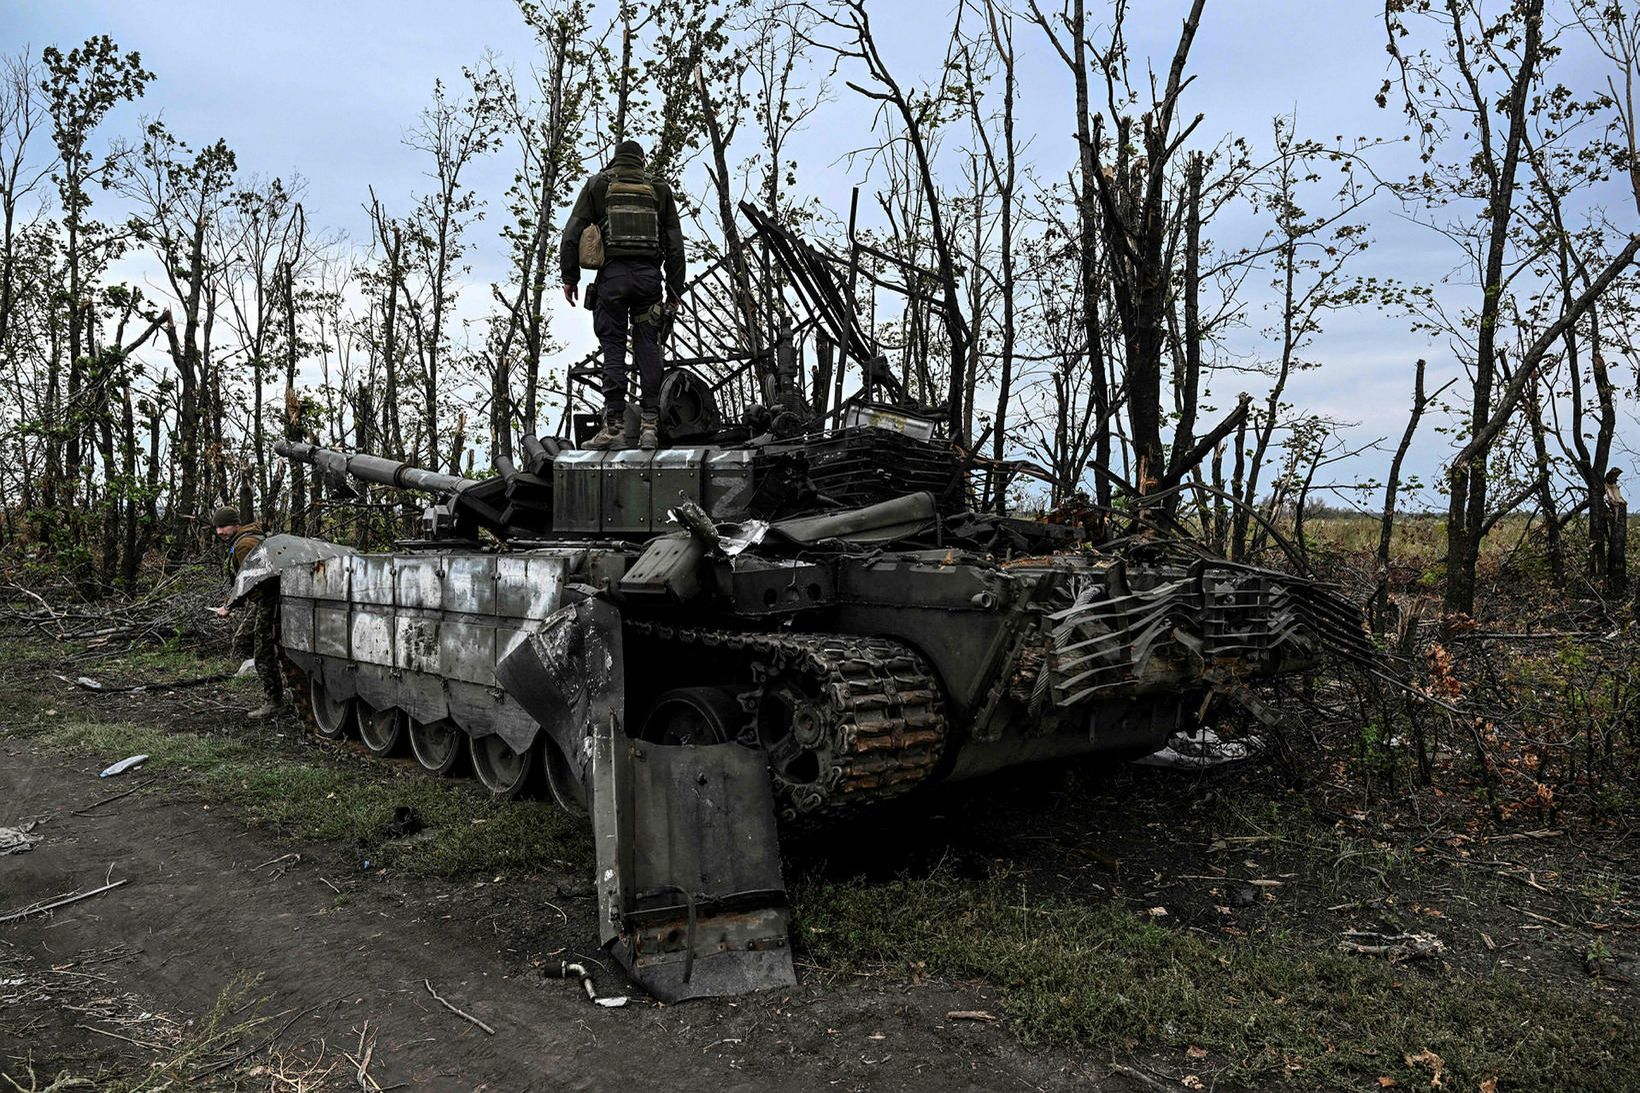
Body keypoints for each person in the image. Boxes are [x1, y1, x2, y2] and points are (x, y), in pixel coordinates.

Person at [560, 139, 686, 451]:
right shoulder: (659, 189)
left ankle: (613, 428)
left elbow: (571, 232)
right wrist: (674, 289)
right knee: (648, 346)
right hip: (648, 280)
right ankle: (648, 427)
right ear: (642, 161)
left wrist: (570, 277)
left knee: (613, 346)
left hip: (612, 280)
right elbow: (675, 244)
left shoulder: (598, 185)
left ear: (615, 161)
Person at [211, 505, 285, 720]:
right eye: (216, 527)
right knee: (245, 640)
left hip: (269, 600)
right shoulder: (249, 538)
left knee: (263, 651)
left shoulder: (245, 544)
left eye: (223, 526)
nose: (219, 532)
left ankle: (275, 702)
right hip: (267, 599)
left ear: (236, 525)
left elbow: (252, 580)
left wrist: (230, 606)